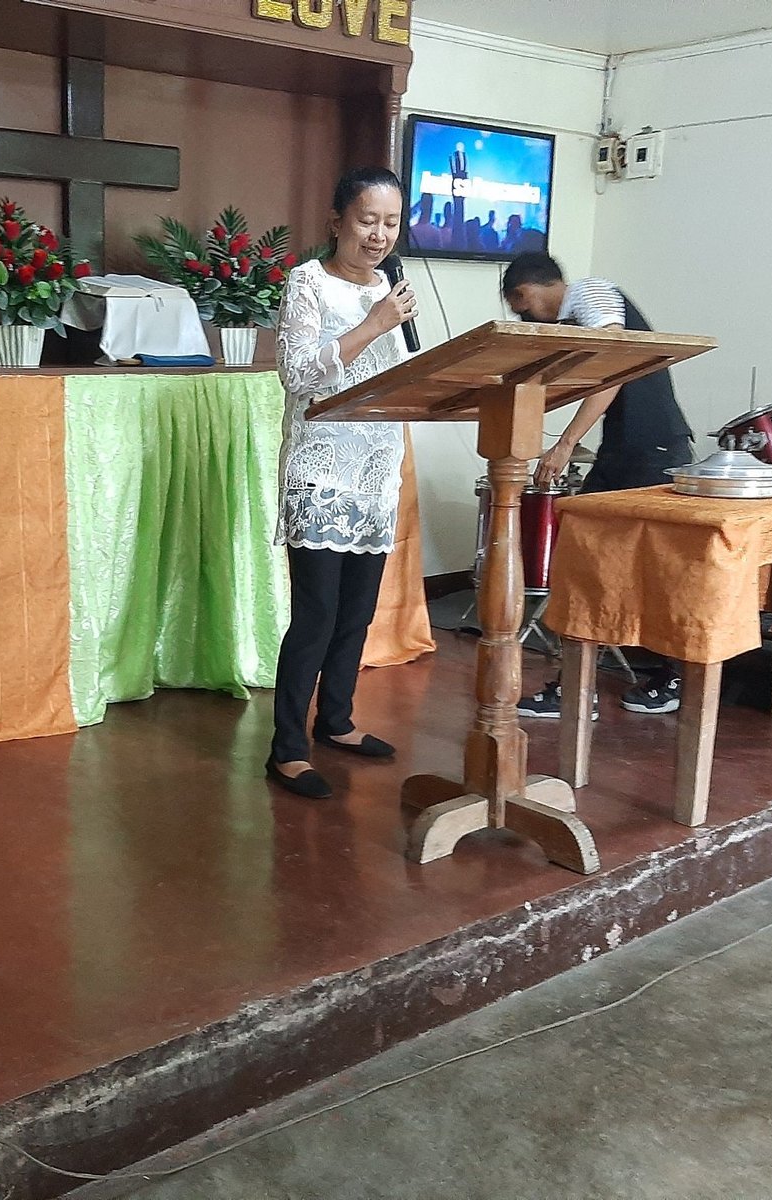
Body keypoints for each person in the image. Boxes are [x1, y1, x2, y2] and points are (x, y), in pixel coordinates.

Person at [267, 166, 418, 799]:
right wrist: (375, 324)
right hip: (322, 471)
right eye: (367, 220)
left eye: (390, 222)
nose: (380, 234)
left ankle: (337, 721)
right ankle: (286, 750)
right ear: (337, 223)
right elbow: (298, 375)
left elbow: (404, 370)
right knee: (317, 614)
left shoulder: (389, 286)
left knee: (357, 612)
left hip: (375, 471)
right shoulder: (307, 284)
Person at [500, 251, 693, 716]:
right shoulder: (579, 319)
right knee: (590, 565)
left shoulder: (592, 292)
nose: (528, 317)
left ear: (525, 293)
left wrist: (565, 443)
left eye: (521, 307)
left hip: (648, 454)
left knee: (618, 567)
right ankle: (579, 684)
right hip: (628, 452)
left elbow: (615, 366)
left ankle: (660, 679)